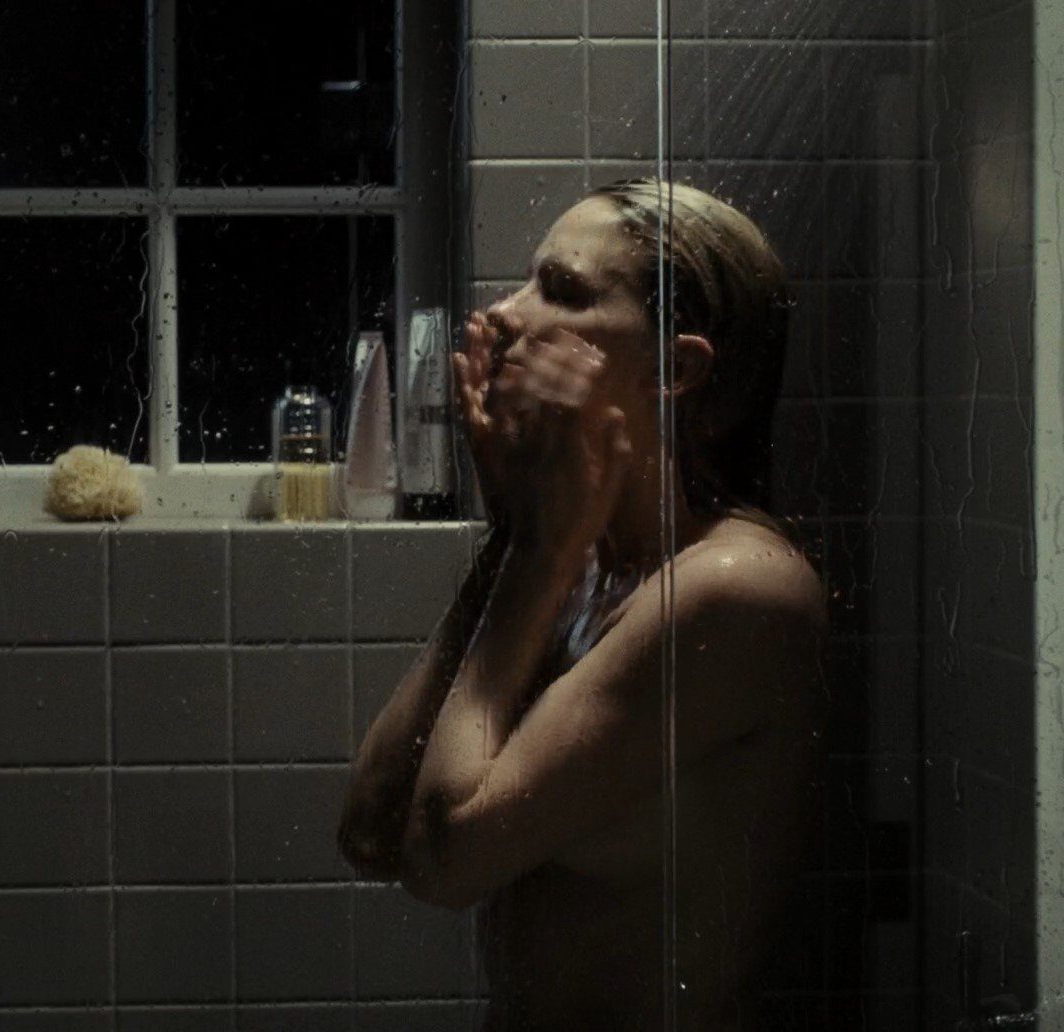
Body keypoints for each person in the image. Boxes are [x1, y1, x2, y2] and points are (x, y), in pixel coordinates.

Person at [337, 178, 829, 1031]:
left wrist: (535, 551)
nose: (504, 315)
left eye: (561, 291)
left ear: (674, 368)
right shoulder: (590, 562)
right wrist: (516, 540)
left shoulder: (737, 590)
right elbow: (371, 830)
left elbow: (443, 861)